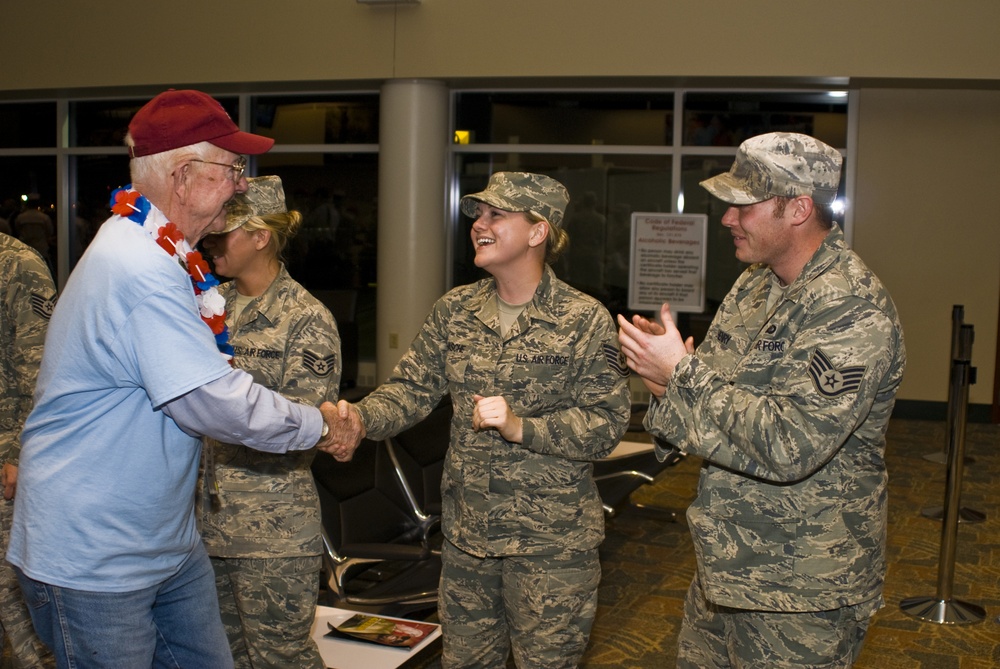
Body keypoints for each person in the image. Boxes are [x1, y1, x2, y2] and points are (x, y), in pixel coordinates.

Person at [7, 89, 343, 669]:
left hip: (165, 543)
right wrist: (322, 425)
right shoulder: (137, 266)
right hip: (98, 557)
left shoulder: (165, 257)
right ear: (185, 177)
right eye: (233, 169)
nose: (242, 185)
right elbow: (212, 401)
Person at [617, 132, 906, 668]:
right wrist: (664, 385)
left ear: (798, 208)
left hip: (802, 589)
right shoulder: (754, 286)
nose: (727, 218)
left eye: (744, 206)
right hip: (724, 567)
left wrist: (683, 373)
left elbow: (788, 444)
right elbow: (715, 410)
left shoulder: (850, 307)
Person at [327, 172, 631, 669]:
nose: (479, 224)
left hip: (551, 547)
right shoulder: (456, 310)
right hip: (469, 540)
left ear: (538, 232)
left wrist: (521, 427)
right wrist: (355, 419)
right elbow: (410, 390)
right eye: (478, 214)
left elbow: (606, 424)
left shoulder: (584, 319)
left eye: (497, 215)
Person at [198, 175, 340, 669]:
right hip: (202, 526)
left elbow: (302, 427)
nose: (212, 241)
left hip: (271, 533)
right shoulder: (209, 307)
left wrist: (221, 406)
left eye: (226, 231)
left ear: (261, 236)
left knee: (281, 659)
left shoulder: (306, 318)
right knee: (218, 658)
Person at [0, 232, 56, 668]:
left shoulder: (18, 265)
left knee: (17, 598)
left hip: (7, 461)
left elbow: (40, 371)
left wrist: (21, 453)